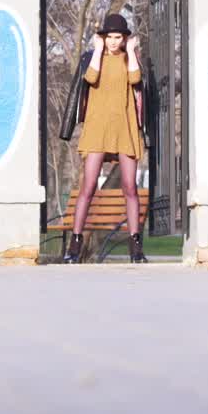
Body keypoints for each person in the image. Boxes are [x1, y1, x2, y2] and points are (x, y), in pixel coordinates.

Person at [61, 13, 148, 263]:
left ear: (124, 38)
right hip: (97, 128)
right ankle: (75, 248)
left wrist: (131, 52)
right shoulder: (93, 57)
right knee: (88, 186)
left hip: (125, 127)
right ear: (102, 38)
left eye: (117, 37)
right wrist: (98, 51)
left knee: (130, 187)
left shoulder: (130, 59)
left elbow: (135, 79)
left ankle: (135, 248)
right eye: (109, 37)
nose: (113, 41)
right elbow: (90, 78)